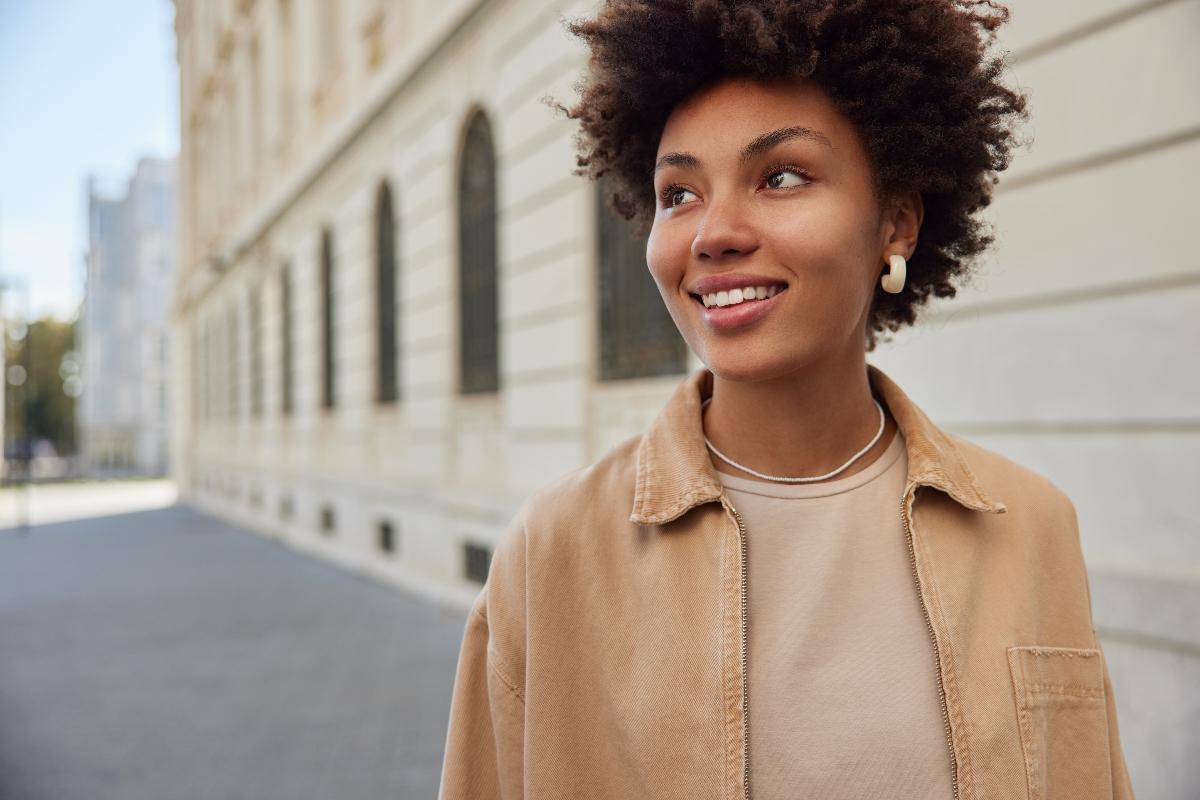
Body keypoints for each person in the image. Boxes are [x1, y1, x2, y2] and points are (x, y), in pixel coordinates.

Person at [438, 1, 1135, 798]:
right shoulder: (553, 553)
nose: (713, 233)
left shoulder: (1032, 526)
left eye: (782, 177)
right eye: (678, 194)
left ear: (897, 224)